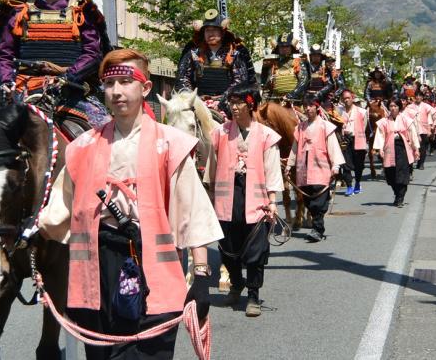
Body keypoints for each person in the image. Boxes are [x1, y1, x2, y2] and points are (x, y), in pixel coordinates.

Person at [39, 49, 222, 360]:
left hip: (155, 269)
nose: (117, 91)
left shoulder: (170, 144)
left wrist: (202, 274)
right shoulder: (82, 147)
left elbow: (192, 211)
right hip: (97, 269)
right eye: (110, 84)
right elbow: (57, 215)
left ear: (145, 88)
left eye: (126, 81)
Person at [0, 0, 111, 127]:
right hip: (24, 91)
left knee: (105, 129)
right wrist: (6, 80)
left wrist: (67, 77)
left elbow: (93, 53)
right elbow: (4, 54)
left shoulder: (81, 10)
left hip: (71, 92)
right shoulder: (19, 12)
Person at [205, 83, 284, 317]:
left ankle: (253, 296)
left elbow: (272, 170)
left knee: (255, 251)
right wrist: (209, 196)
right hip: (227, 198)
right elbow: (211, 168)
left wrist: (273, 201)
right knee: (228, 248)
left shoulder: (267, 136)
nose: (234, 107)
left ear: (251, 105)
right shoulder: (219, 132)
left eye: (240, 102)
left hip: (256, 200)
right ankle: (236, 284)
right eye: (232, 102)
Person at [285, 92, 344, 242]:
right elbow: (294, 148)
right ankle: (316, 226)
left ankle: (317, 230)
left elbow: (333, 147)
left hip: (320, 170)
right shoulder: (300, 128)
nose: (307, 109)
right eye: (305, 106)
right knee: (308, 201)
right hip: (303, 171)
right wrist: (289, 165)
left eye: (310, 105)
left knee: (318, 201)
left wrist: (336, 165)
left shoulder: (325, 126)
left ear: (317, 107)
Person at [175, 9, 256, 113]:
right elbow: (182, 78)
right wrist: (192, 98)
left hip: (228, 103)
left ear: (222, 32)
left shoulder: (235, 53)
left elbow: (240, 81)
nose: (210, 33)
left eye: (214, 30)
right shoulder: (193, 53)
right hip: (198, 102)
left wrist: (224, 99)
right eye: (207, 30)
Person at [372, 98, 420, 207]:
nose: (393, 108)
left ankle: (400, 198)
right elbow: (380, 135)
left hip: (402, 148)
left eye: (395, 106)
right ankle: (397, 193)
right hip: (389, 148)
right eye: (391, 106)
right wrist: (380, 149)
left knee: (402, 173)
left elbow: (412, 135)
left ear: (399, 107)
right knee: (390, 174)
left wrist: (416, 148)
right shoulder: (384, 121)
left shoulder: (406, 120)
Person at [260, 32, 309, 104]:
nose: (284, 49)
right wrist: (263, 104)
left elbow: (303, 81)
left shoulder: (298, 62)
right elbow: (267, 88)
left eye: (287, 47)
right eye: (282, 47)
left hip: (295, 102)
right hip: (276, 102)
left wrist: (291, 95)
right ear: (278, 48)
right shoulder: (272, 65)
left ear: (291, 48)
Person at [340, 89, 368, 195]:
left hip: (358, 139)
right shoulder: (339, 112)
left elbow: (364, 127)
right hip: (345, 140)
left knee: (358, 165)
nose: (346, 100)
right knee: (345, 164)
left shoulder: (362, 112)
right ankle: (349, 186)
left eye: (348, 98)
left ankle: (357, 182)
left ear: (352, 98)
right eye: (344, 98)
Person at [412, 90, 435, 169]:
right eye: (416, 96)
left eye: (420, 96)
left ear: (422, 97)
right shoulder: (410, 106)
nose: (418, 97)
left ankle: (421, 163)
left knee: (423, 147)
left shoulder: (426, 106)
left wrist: (429, 128)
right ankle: (414, 161)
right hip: (413, 129)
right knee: (414, 146)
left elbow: (433, 115)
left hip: (424, 129)